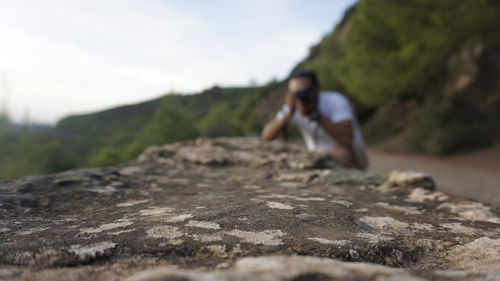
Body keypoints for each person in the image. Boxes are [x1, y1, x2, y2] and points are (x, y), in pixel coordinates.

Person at [260, 70, 368, 170]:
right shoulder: (292, 108)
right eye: (295, 94)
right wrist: (288, 115)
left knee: (342, 153)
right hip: (317, 155)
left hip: (353, 156)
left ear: (317, 89)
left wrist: (316, 115)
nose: (301, 97)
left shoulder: (336, 100)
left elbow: (346, 139)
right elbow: (266, 136)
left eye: (305, 92)